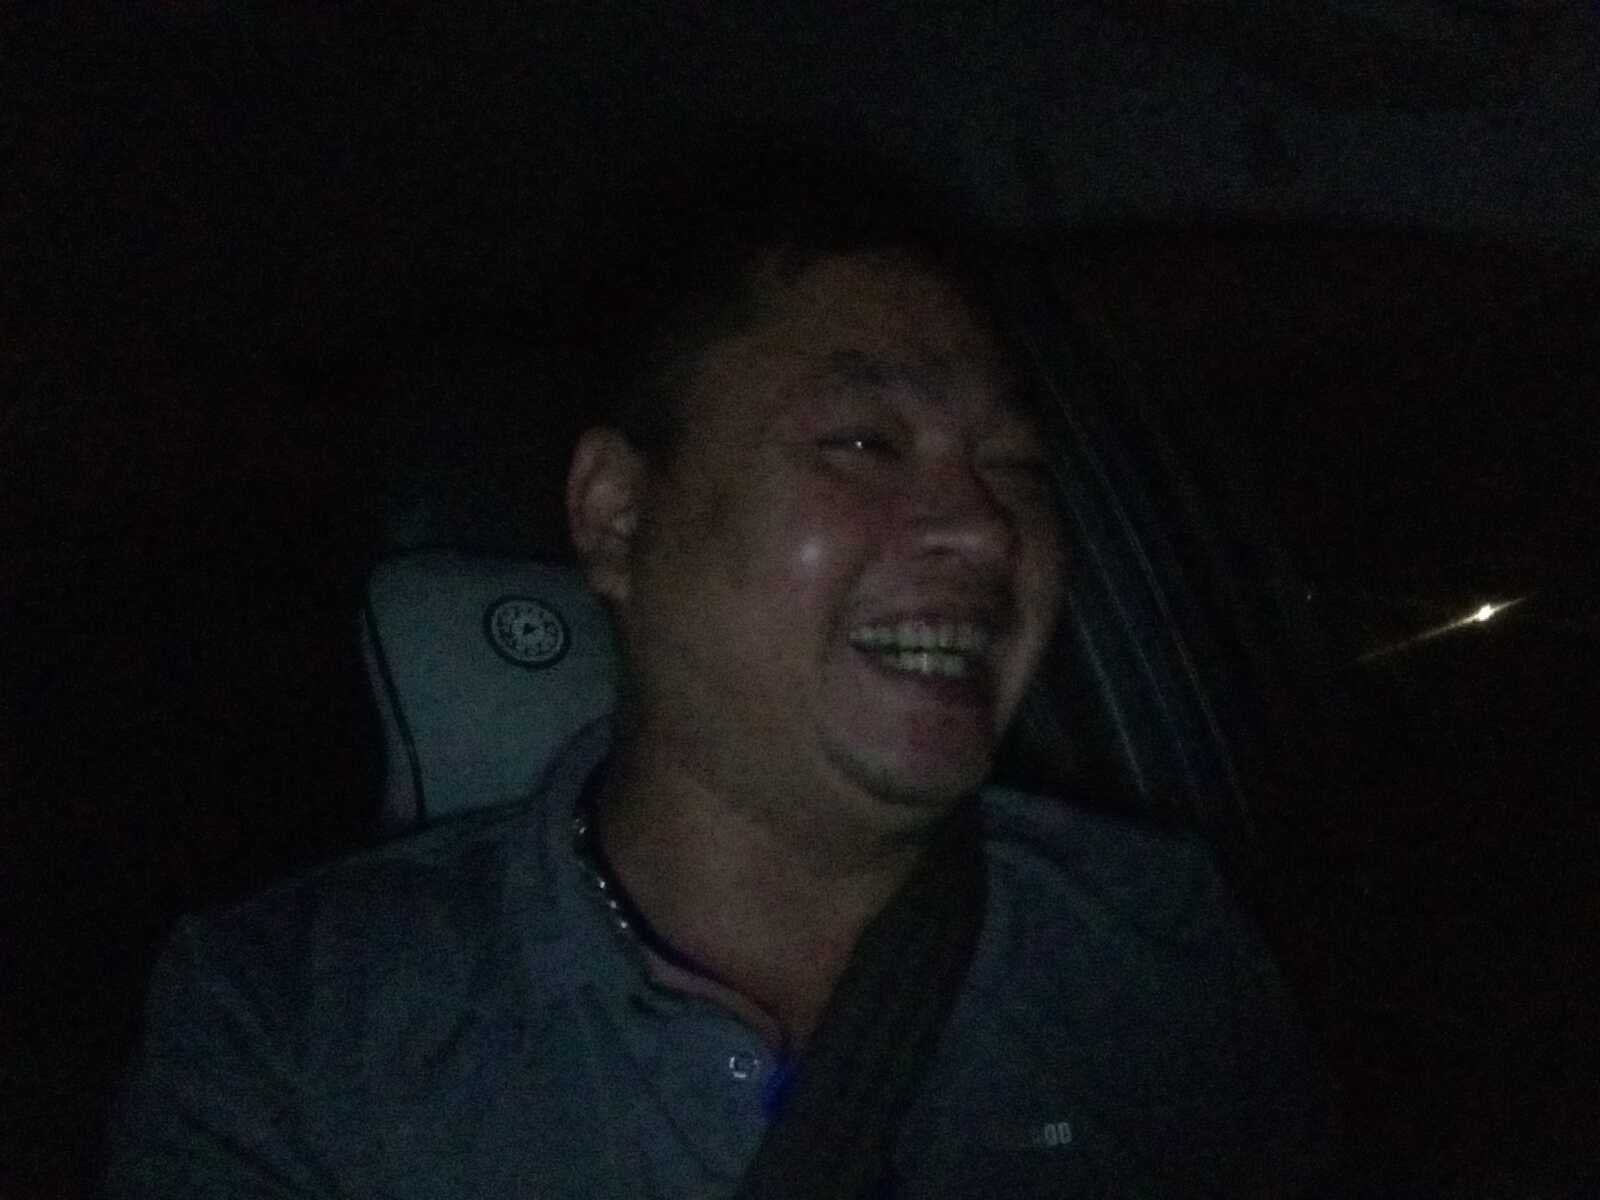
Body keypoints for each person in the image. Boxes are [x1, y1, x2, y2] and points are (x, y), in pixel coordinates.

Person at [106, 134, 1335, 1198]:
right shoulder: (296, 1024)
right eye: (863, 442)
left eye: (1014, 464)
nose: (984, 527)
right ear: (616, 516)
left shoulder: (1153, 952)